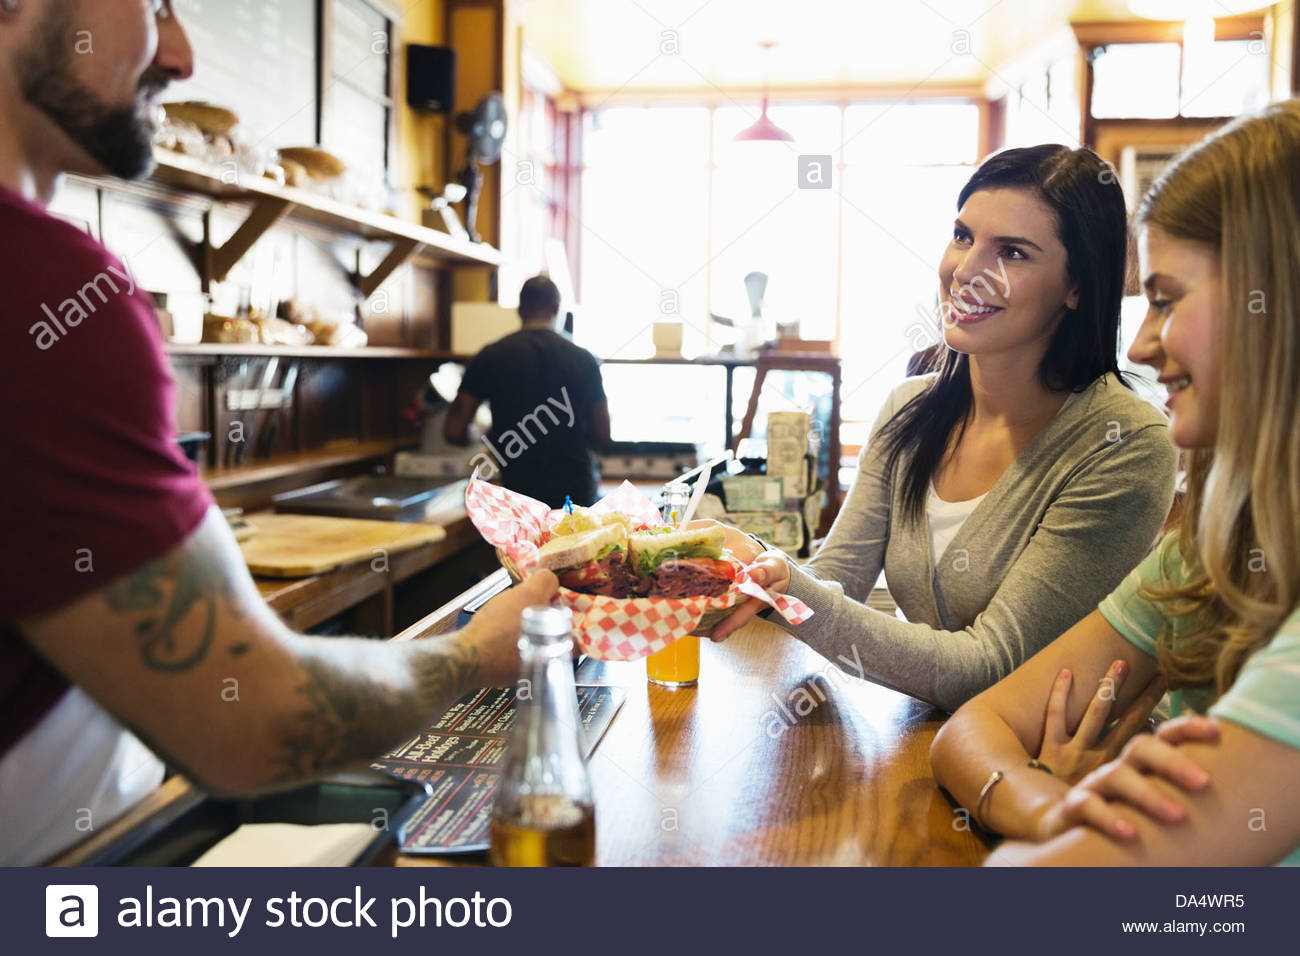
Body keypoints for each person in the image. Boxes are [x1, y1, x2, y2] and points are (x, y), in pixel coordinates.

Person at [0, 0, 556, 866]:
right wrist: (478, 651)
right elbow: (256, 722)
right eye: (152, 6)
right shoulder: (46, 291)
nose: (180, 54)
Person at [930, 100, 1300, 866]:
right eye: (964, 236)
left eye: (1166, 299)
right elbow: (972, 727)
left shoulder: (1123, 440)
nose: (1143, 339)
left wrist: (1056, 836)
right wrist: (1058, 810)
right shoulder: (1213, 553)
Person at [710, 145, 1179, 713]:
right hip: (933, 745)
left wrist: (789, 585)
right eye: (963, 236)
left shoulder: (1125, 444)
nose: (965, 271)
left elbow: (988, 668)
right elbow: (835, 580)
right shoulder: (910, 410)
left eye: (1011, 252)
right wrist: (722, 571)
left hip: (1065, 774)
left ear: (1077, 285)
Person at [445, 275, 612, 507]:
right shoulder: (584, 360)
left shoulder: (490, 356)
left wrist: (490, 435)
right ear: (556, 308)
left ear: (520, 310)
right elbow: (603, 436)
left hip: (520, 496)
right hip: (576, 494)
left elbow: (453, 431)